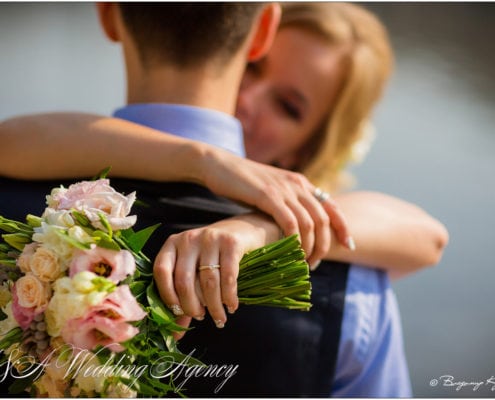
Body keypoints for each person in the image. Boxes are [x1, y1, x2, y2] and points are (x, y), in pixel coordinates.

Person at [0, 2, 448, 396]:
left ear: (307, 148)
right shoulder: (355, 295)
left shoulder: (335, 251)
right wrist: (206, 159)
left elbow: (429, 237)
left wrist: (261, 227)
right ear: (257, 37)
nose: (248, 100)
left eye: (288, 106)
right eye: (255, 70)